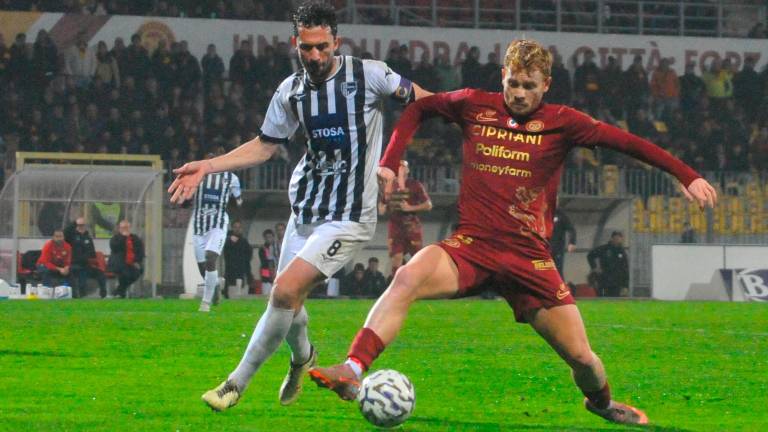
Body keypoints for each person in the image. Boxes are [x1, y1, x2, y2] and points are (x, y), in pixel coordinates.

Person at [309, 38, 718, 426]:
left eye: (529, 86)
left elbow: (628, 143)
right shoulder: (473, 105)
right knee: (407, 277)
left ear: (546, 85)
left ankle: (603, 404)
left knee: (583, 359)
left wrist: (685, 175)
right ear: (503, 75)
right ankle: (353, 367)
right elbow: (420, 108)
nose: (519, 93)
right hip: (471, 247)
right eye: (513, 83)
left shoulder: (563, 123)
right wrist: (389, 159)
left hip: (529, 260)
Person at [167, 1, 429, 410]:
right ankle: (302, 358)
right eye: (306, 48)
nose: (315, 56)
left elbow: (425, 103)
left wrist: (392, 160)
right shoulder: (291, 91)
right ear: (296, 44)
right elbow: (265, 146)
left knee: (286, 291)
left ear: (336, 42)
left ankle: (235, 383)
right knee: (287, 300)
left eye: (322, 47)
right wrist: (208, 165)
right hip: (305, 209)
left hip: (348, 217)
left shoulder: (370, 75)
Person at [191, 153, 243, 312]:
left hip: (218, 224)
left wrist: (235, 207)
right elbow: (187, 197)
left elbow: (239, 202)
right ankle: (215, 287)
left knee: (210, 258)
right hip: (199, 225)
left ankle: (205, 304)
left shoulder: (231, 178)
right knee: (203, 268)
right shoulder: (197, 175)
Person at [378, 160, 432, 277]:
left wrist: (410, 208)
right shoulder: (390, 185)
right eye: (399, 167)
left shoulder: (415, 185)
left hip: (412, 226)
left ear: (407, 170)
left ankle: (421, 284)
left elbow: (428, 205)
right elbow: (382, 203)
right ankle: (396, 287)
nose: (400, 169)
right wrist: (382, 208)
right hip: (395, 226)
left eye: (403, 167)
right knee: (396, 258)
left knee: (417, 258)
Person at [64, 217, 107, 298]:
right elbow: (65, 232)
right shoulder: (71, 236)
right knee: (81, 276)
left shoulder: (88, 238)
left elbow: (92, 253)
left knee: (100, 273)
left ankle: (103, 294)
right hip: (73, 264)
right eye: (79, 225)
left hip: (85, 264)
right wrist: (74, 223)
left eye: (82, 225)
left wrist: (86, 257)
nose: (81, 227)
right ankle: (78, 296)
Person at [108, 220, 144, 298]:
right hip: (118, 263)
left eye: (126, 227)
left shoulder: (135, 238)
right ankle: (120, 292)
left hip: (132, 263)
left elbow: (140, 252)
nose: (125, 229)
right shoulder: (116, 238)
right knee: (125, 274)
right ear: (119, 229)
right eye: (123, 228)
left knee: (138, 271)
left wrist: (136, 261)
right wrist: (123, 237)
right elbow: (115, 248)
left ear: (130, 228)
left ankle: (119, 292)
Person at [587, 231, 629, 297]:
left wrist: (625, 285)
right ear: (612, 238)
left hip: (616, 283)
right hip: (604, 280)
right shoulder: (604, 249)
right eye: (616, 238)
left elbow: (625, 268)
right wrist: (594, 267)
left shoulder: (622, 252)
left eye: (619, 239)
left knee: (615, 301)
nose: (617, 241)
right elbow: (590, 255)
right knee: (602, 299)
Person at [223, 220, 253, 298]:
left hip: (242, 270)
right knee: (229, 291)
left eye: (239, 227)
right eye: (235, 227)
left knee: (241, 291)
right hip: (230, 270)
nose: (237, 229)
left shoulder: (244, 241)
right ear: (232, 228)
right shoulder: (227, 240)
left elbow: (248, 256)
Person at [550, 208, 577, 278]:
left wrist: (572, 242)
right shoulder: (542, 213)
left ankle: (561, 288)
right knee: (544, 271)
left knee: (557, 272)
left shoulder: (561, 215)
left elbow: (571, 229)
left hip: (557, 250)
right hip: (544, 250)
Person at [257, 229, 278, 296]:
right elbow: (263, 262)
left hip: (275, 273)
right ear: (264, 238)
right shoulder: (262, 249)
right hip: (266, 275)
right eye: (267, 237)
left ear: (273, 237)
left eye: (270, 237)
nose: (268, 239)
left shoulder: (276, 247)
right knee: (265, 293)